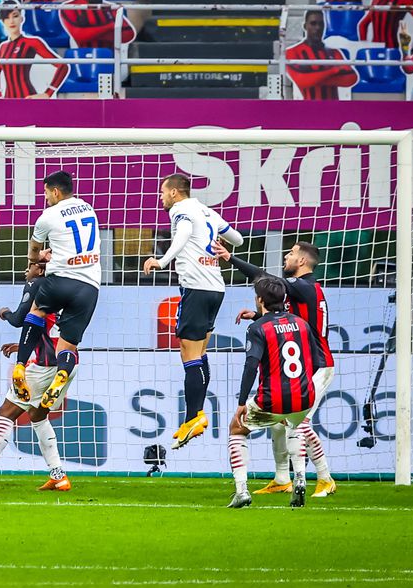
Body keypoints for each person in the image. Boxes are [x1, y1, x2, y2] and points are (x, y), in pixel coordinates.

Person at [214, 240, 337, 499]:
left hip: (317, 367)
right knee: (282, 423)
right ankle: (283, 478)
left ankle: (325, 478)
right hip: (308, 363)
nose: (286, 256)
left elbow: (263, 279)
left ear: (302, 261)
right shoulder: (305, 289)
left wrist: (231, 259)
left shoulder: (303, 286)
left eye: (291, 253)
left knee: (298, 423)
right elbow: (288, 319)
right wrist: (260, 317)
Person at [0, 261, 74, 493]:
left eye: (29, 266)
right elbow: (49, 330)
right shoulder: (69, 286)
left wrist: (5, 313)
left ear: (40, 269)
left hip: (44, 365)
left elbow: (20, 319)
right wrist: (22, 346)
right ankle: (58, 477)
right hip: (67, 361)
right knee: (38, 416)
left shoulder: (38, 283)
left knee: (6, 412)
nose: (25, 271)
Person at [142, 173, 243, 449]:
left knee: (188, 353)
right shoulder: (207, 211)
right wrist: (222, 248)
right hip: (216, 288)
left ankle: (193, 417)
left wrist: (161, 261)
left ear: (174, 192)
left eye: (163, 192)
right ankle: (195, 416)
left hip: (196, 288)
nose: (161, 198)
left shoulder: (180, 210)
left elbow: (184, 234)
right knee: (199, 352)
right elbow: (238, 238)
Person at [225, 278, 326, 509]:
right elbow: (316, 360)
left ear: (260, 300)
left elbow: (251, 366)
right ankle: (300, 478)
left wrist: (242, 402)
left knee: (237, 429)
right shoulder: (301, 323)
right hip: (304, 396)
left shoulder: (257, 329)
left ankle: (241, 490)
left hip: (273, 398)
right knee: (295, 426)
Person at [8, 171, 100, 417]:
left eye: (47, 192)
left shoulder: (47, 216)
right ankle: (62, 372)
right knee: (67, 346)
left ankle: (19, 367)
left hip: (60, 280)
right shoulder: (88, 208)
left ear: (55, 191)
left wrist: (33, 262)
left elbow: (35, 248)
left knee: (36, 311)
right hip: (89, 286)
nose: (46, 197)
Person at [0, 5, 68, 98]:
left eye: (15, 16)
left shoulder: (32, 42)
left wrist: (48, 93)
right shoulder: (3, 47)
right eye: (7, 17)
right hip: (8, 101)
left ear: (21, 18)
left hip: (28, 98)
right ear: (3, 21)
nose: (11, 21)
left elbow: (62, 66)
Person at [284, 9, 359, 101]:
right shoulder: (292, 52)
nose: (318, 28)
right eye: (313, 23)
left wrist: (314, 79)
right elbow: (301, 80)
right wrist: (334, 70)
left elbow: (351, 78)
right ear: (305, 26)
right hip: (308, 107)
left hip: (333, 108)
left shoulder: (335, 52)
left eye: (321, 24)